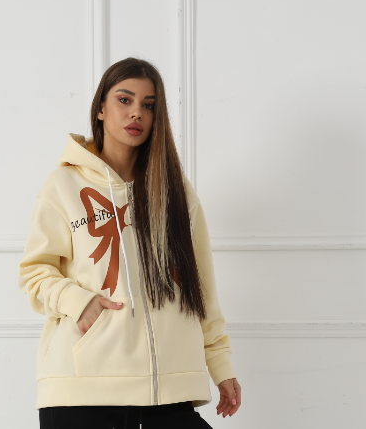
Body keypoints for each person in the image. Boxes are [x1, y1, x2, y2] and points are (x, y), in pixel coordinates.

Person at [18, 57, 242, 429]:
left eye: (148, 105)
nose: (136, 112)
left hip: (166, 390)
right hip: (83, 389)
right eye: (125, 100)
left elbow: (201, 286)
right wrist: (79, 302)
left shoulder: (176, 192)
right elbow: (35, 272)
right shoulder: (63, 185)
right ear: (101, 109)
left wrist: (220, 363)